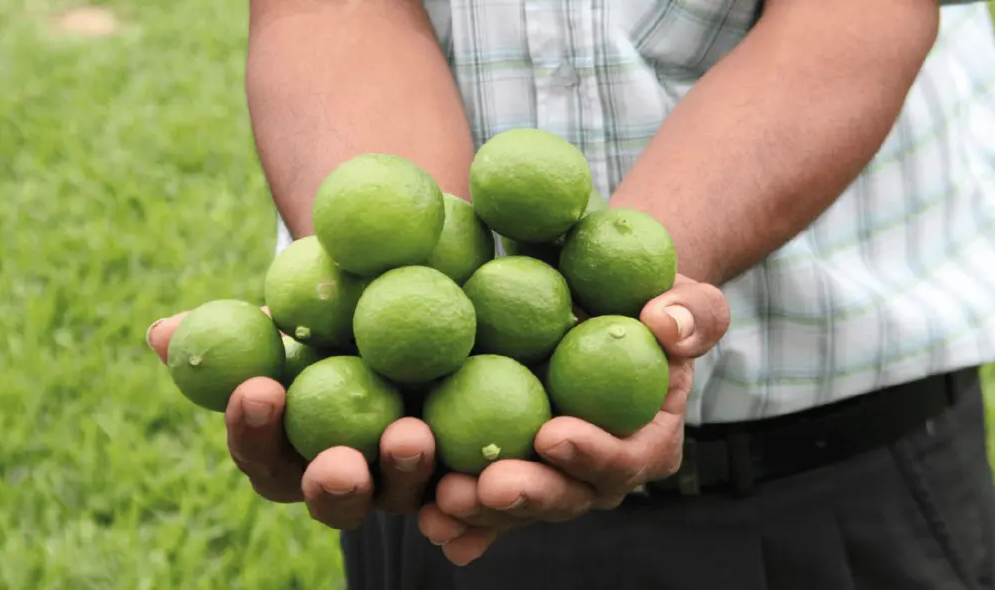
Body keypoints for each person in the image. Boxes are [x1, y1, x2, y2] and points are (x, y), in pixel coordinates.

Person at [147, 0, 995, 588]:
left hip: (846, 454)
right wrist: (404, 289)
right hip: (431, 463)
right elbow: (330, 12)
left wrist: (633, 297)